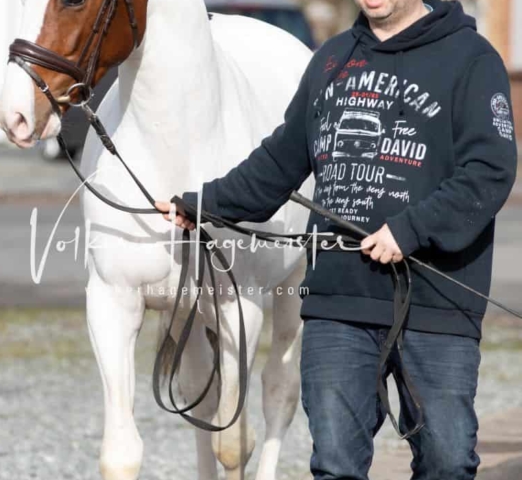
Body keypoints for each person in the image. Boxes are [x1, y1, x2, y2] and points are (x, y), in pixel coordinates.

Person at [156, 0, 518, 478]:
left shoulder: (471, 58)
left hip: (437, 303)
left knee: (447, 462)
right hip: (337, 303)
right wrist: (202, 203)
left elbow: (489, 171)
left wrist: (410, 230)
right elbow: (279, 161)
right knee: (335, 465)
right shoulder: (331, 59)